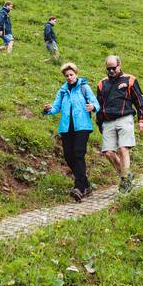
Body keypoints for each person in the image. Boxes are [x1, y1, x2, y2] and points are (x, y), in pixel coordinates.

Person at [43, 62, 100, 201]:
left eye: (71, 74)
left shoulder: (84, 88)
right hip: (66, 128)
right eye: (66, 75)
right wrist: (48, 109)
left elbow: (96, 103)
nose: (69, 77)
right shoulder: (62, 91)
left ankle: (79, 187)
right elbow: (56, 108)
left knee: (78, 153)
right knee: (68, 155)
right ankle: (85, 184)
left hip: (82, 127)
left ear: (76, 74)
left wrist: (92, 106)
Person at [96, 56, 143, 193]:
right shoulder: (102, 84)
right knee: (108, 153)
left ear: (120, 65)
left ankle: (125, 181)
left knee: (123, 149)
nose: (111, 70)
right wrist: (99, 123)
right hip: (107, 121)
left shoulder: (130, 80)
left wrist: (142, 120)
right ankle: (126, 175)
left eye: (114, 68)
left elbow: (140, 101)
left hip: (125, 118)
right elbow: (99, 105)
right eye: (109, 68)